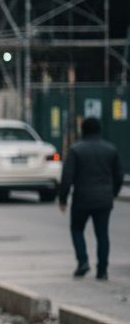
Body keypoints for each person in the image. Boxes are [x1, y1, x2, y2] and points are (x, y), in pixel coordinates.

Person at [59, 116, 123, 280]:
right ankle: (102, 270)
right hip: (104, 199)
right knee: (102, 234)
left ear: (83, 130)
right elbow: (119, 175)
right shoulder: (110, 149)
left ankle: (83, 261)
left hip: (82, 198)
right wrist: (113, 193)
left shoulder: (75, 150)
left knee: (76, 229)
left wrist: (63, 199)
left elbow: (67, 177)